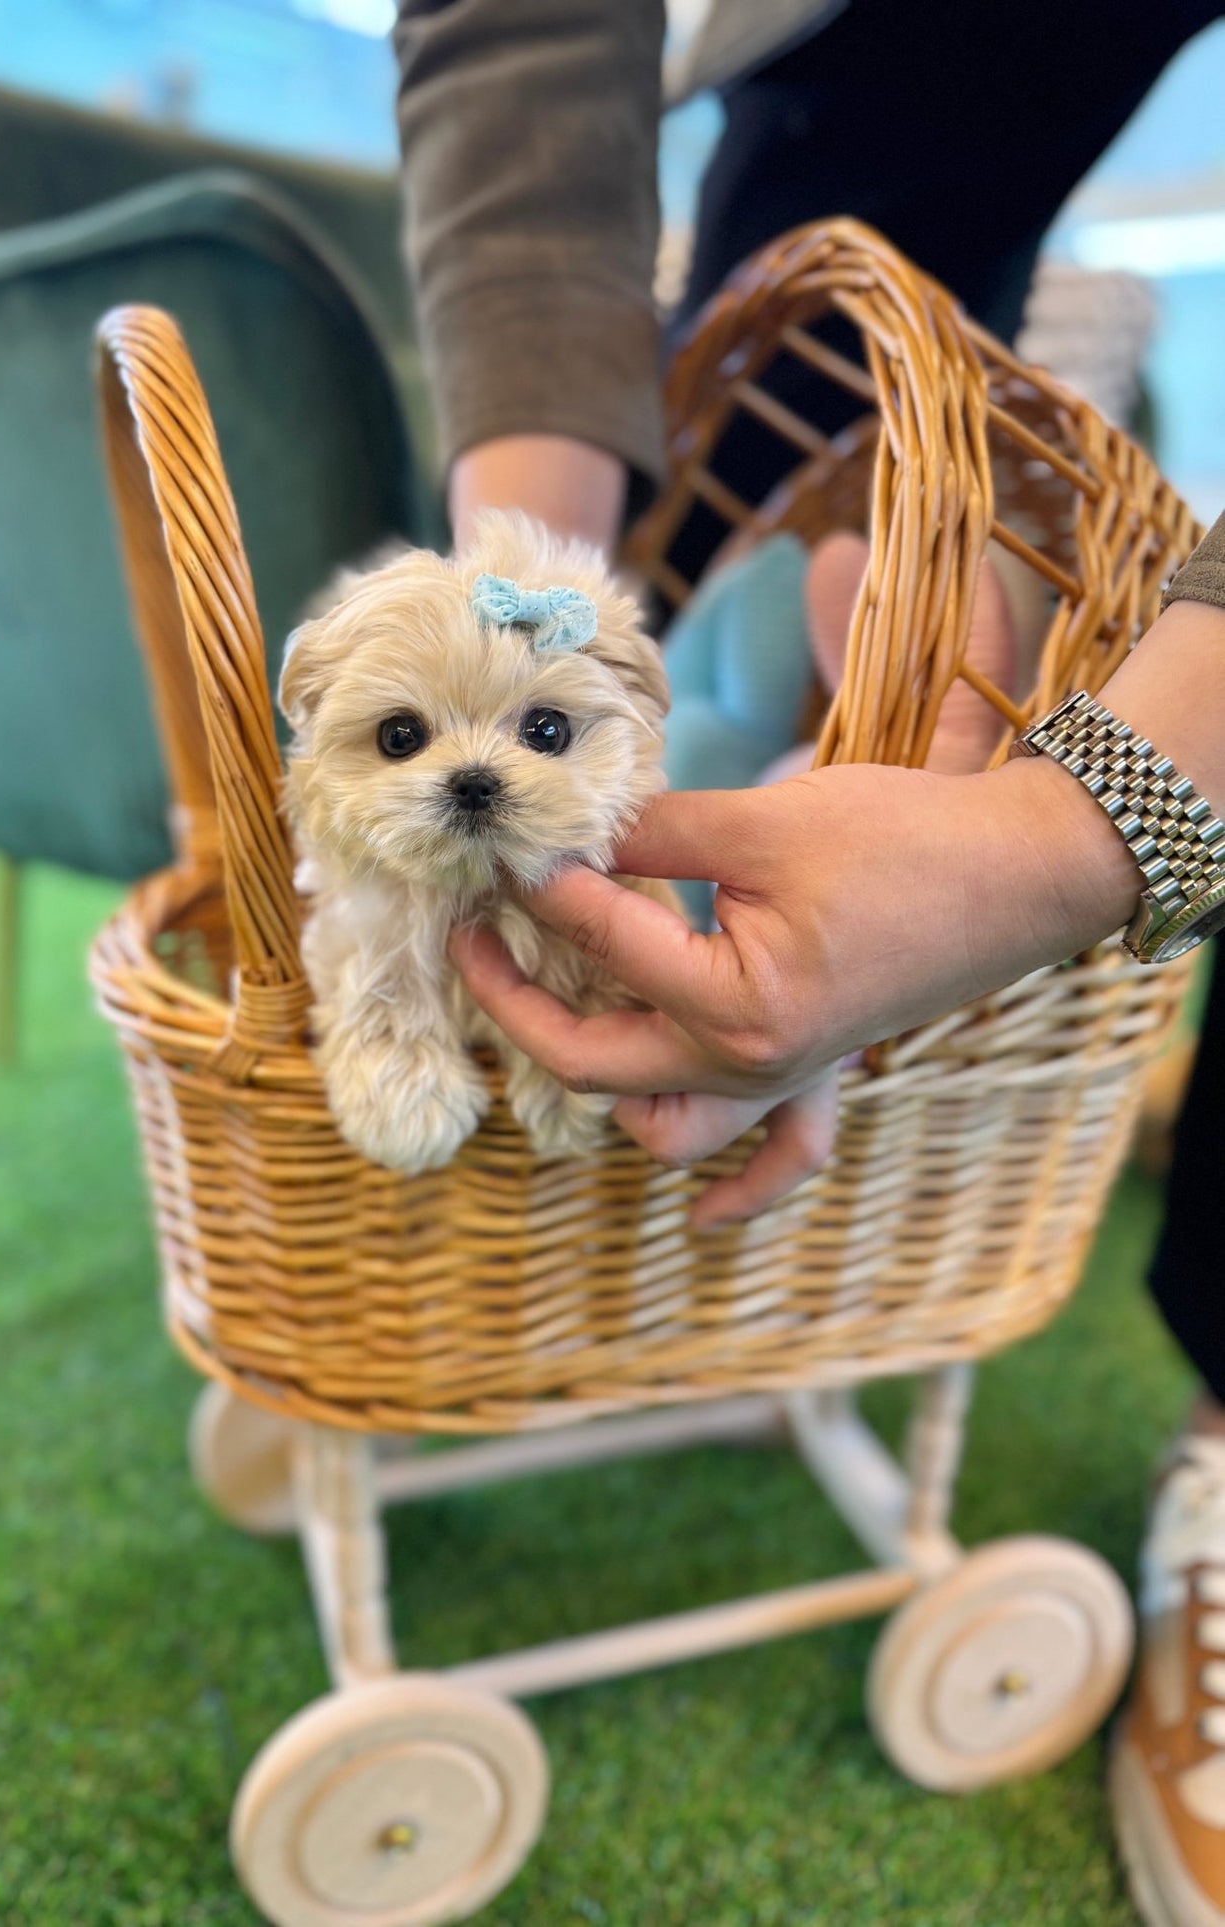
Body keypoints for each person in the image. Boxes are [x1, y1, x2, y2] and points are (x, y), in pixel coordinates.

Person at [393, 4, 1225, 1922]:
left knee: (1020, 671)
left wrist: (1061, 830)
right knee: (831, 372)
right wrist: (532, 640)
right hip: (895, 79)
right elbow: (518, 40)